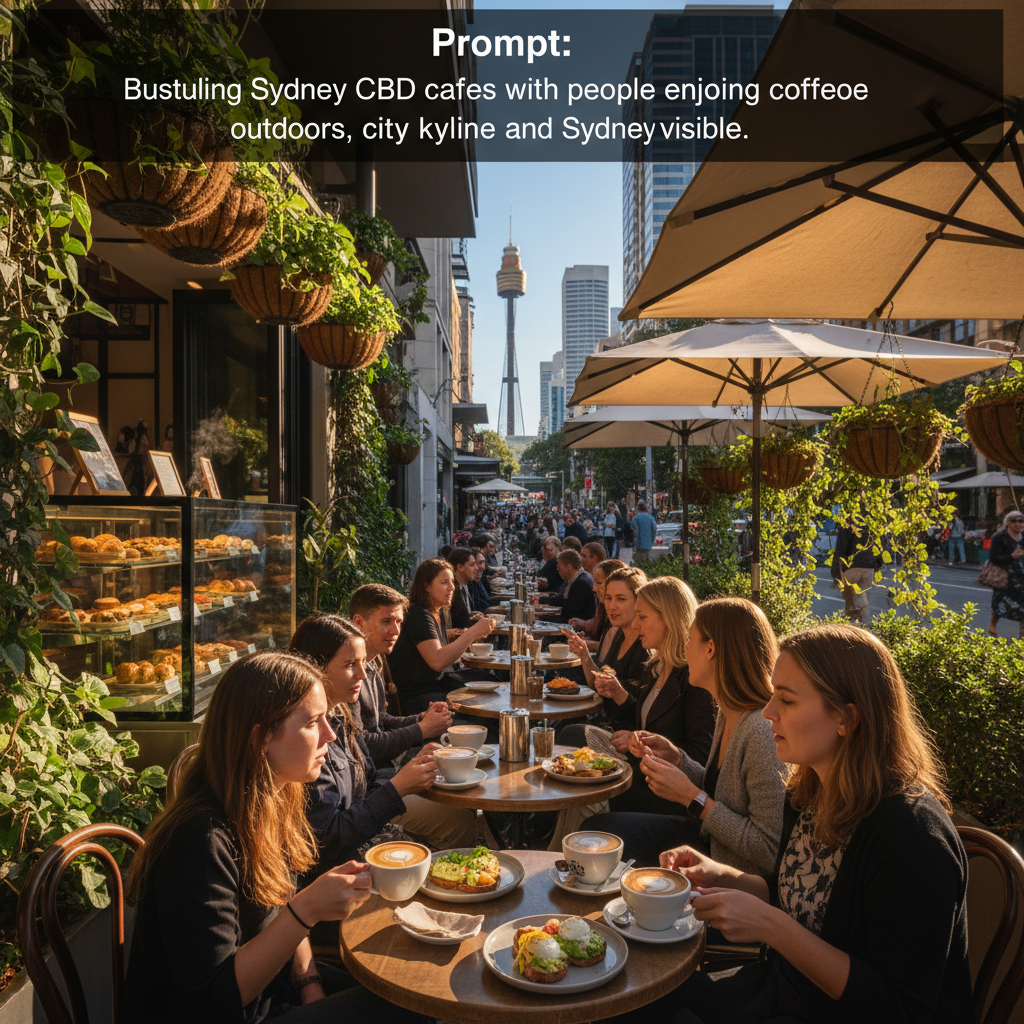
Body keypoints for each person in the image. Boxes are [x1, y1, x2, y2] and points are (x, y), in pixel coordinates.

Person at [612, 624, 971, 1024]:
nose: (768, 713)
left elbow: (900, 1008)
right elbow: (797, 897)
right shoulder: (811, 790)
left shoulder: (912, 835)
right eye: (771, 695)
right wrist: (722, 875)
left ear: (846, 718)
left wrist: (771, 927)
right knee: (624, 989)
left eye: (786, 699)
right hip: (784, 992)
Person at [121, 651, 427, 1024]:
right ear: (262, 737)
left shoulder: (275, 797)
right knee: (408, 1008)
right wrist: (308, 909)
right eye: (314, 722)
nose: (330, 735)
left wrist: (309, 983)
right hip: (226, 1010)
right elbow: (213, 1002)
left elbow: (279, 904)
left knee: (411, 988)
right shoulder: (199, 839)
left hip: (272, 992)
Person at [584, 597, 786, 872]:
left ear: (711, 649)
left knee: (597, 831)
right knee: (595, 828)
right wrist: (678, 759)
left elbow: (767, 850)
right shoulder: (729, 712)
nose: (684, 647)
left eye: (690, 639)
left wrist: (691, 798)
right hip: (709, 839)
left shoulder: (761, 731)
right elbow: (721, 791)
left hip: (725, 865)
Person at [291, 613, 476, 859]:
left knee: (461, 818)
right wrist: (397, 787)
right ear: (315, 667)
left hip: (369, 807)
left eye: (362, 663)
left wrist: (403, 772)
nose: (362, 674)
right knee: (459, 821)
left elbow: (371, 770)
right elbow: (329, 838)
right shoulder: (303, 737)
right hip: (348, 849)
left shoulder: (340, 712)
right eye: (350, 665)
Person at [594, 576, 716, 816]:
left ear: (669, 618)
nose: (636, 625)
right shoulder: (658, 665)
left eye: (642, 617)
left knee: (588, 784)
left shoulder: (694, 677)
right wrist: (634, 736)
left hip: (667, 795)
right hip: (641, 770)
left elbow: (702, 760)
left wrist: (651, 745)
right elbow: (643, 719)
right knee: (575, 752)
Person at [347, 584, 451, 766]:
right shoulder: (347, 672)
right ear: (359, 622)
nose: (395, 631)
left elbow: (380, 719)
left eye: (399, 622)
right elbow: (361, 745)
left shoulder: (375, 658)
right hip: (373, 776)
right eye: (386, 621)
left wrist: (420, 718)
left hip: (388, 764)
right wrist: (421, 730)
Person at [388, 558, 494, 714]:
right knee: (485, 707)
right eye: (444, 583)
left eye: (451, 581)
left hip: (440, 685)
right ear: (426, 586)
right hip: (420, 697)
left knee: (492, 683)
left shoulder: (438, 612)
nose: (452, 587)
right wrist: (473, 632)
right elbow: (437, 661)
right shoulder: (418, 614)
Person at [565, 565, 649, 700]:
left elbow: (638, 711)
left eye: (621, 599)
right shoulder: (617, 634)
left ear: (638, 601)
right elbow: (597, 685)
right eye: (608, 598)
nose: (611, 606)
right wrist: (584, 655)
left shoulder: (646, 644)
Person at [569, 555, 623, 647]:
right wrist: (582, 625)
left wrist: (585, 644)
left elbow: (614, 649)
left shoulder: (621, 611)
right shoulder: (602, 605)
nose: (594, 588)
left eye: (598, 583)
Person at [830, 525, 880, 623]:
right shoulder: (870, 521)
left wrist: (837, 575)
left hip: (852, 567)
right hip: (869, 567)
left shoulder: (846, 523)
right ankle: (865, 625)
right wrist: (876, 567)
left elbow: (840, 550)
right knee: (863, 600)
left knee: (850, 602)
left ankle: (853, 627)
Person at [988, 509, 1024, 637]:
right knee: (999, 602)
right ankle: (992, 625)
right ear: (1007, 522)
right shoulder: (999, 537)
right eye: (1013, 521)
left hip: (1022, 576)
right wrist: (1011, 556)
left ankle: (1022, 636)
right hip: (1005, 576)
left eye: (1021, 521)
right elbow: (994, 557)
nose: (1018, 524)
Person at [538, 548, 597, 624]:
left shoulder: (582, 582)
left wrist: (543, 618)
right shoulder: (572, 579)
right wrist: (540, 600)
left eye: (560, 569)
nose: (557, 569)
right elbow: (560, 598)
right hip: (568, 620)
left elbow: (568, 610)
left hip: (576, 627)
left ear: (569, 567)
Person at [447, 546, 482, 628]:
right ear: (460, 567)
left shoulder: (466, 586)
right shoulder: (451, 591)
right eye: (472, 565)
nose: (476, 568)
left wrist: (473, 616)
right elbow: (458, 624)